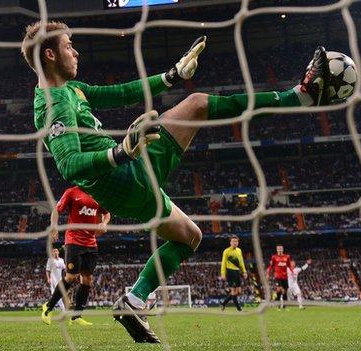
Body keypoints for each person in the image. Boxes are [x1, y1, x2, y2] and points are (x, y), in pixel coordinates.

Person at [21, 20, 332, 343]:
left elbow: (120, 93)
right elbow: (69, 165)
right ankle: (301, 97)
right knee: (197, 105)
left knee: (190, 236)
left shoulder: (70, 90)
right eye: (69, 46)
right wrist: (121, 152)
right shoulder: (53, 105)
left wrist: (172, 75)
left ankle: (134, 301)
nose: (75, 51)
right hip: (126, 178)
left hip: (130, 177)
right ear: (50, 55)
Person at [42, 186, 110, 326]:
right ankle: (48, 307)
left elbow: (107, 213)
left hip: (91, 243)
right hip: (74, 241)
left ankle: (77, 316)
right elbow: (56, 209)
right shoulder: (72, 192)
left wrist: (104, 223)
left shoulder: (98, 193)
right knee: (71, 277)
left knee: (87, 279)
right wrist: (54, 226)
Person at [219, 235, 247, 311]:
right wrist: (223, 273)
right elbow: (223, 263)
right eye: (233, 241)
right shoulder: (226, 251)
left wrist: (244, 271)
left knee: (238, 291)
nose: (235, 243)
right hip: (230, 271)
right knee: (233, 291)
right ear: (230, 242)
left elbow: (241, 262)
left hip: (237, 271)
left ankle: (223, 303)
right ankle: (239, 309)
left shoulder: (239, 250)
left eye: (236, 241)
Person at [266, 244, 292, 309]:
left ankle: (284, 306)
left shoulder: (287, 257)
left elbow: (289, 265)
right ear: (277, 249)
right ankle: (278, 305)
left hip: (285, 277)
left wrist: (293, 272)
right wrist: (268, 274)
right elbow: (271, 266)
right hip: (277, 276)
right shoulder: (274, 257)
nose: (280, 250)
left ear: (282, 249)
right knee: (279, 290)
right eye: (278, 249)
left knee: (285, 291)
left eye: (281, 248)